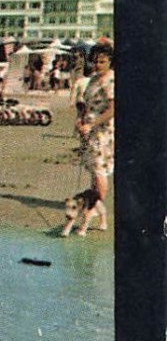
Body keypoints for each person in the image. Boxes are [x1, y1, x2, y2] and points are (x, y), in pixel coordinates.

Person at [77, 44, 115, 214]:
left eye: (102, 61)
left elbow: (113, 109)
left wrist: (92, 124)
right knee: (93, 168)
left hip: (102, 131)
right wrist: (79, 120)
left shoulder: (111, 80)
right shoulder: (92, 80)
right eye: (95, 62)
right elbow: (84, 104)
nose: (98, 65)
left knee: (99, 169)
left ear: (110, 62)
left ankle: (94, 208)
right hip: (87, 129)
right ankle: (94, 205)